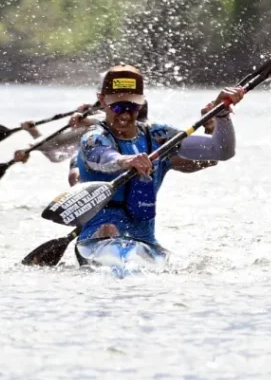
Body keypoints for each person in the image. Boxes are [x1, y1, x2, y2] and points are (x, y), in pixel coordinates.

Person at [75, 64, 243, 247]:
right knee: (108, 229)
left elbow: (221, 151)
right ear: (102, 100)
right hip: (97, 241)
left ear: (142, 102)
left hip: (145, 245)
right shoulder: (93, 138)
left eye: (132, 105)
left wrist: (222, 114)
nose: (124, 114)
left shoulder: (158, 135)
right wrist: (126, 161)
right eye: (117, 106)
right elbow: (106, 158)